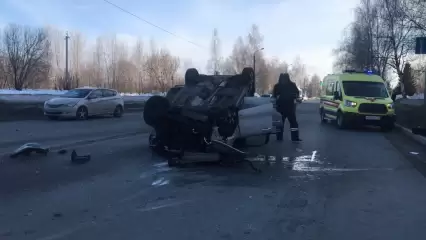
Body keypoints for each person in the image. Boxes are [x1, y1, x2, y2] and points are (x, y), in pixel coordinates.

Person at [272, 73, 302, 142]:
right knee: (293, 123)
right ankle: (295, 138)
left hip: (280, 107)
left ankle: (279, 137)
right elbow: (297, 93)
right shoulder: (292, 85)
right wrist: (294, 97)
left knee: (280, 123)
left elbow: (274, 96)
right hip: (290, 107)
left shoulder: (277, 86)